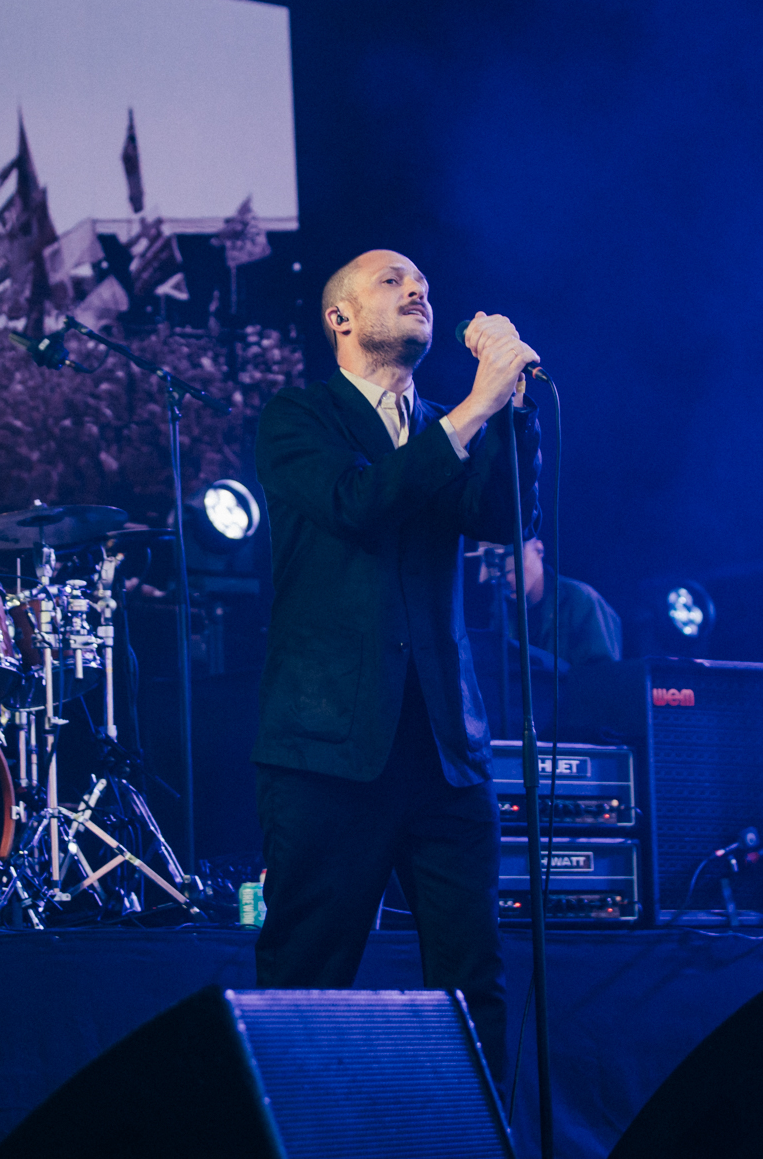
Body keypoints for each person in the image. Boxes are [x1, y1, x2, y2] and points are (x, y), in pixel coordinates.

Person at [252, 248, 539, 1082]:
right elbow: (358, 505)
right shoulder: (297, 418)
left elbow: (502, 516)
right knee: (309, 977)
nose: (418, 289)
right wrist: (472, 413)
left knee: (472, 982)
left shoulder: (451, 421)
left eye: (425, 282)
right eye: (392, 282)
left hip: (446, 749)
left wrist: (509, 407)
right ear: (340, 318)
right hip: (328, 750)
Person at [501, 536, 622, 670]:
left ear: (539, 549)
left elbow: (603, 676)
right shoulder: (500, 609)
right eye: (501, 565)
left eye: (516, 560)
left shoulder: (581, 600)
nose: (508, 577)